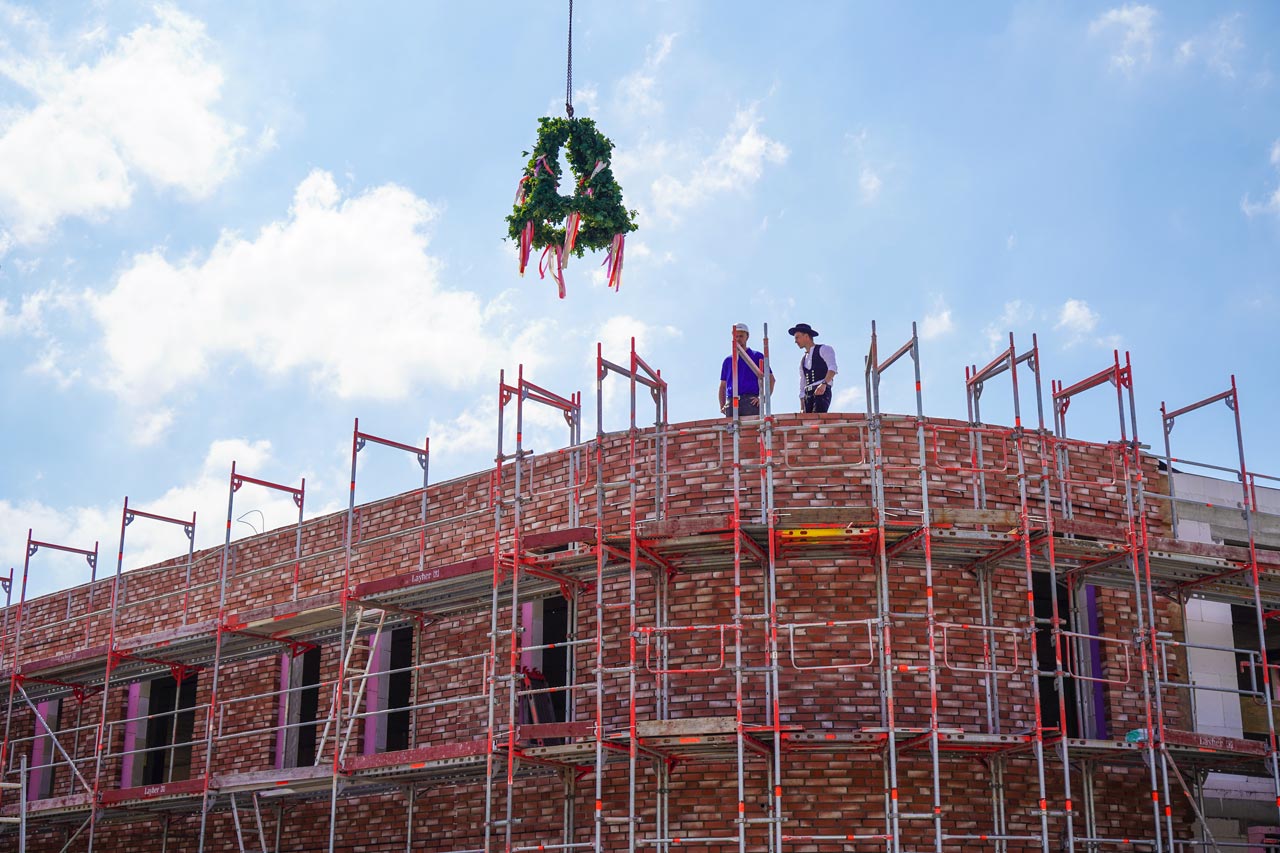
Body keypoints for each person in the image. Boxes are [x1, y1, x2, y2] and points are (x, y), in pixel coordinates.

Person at [718, 323, 773, 417]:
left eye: (741, 336)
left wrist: (762, 398)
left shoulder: (757, 356)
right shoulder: (728, 361)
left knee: (752, 430)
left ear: (747, 337)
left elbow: (771, 380)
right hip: (732, 402)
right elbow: (722, 386)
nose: (738, 339)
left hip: (750, 402)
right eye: (736, 336)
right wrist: (722, 405)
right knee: (733, 430)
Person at [789, 322, 837, 414]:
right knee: (807, 424)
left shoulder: (824, 349)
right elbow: (802, 383)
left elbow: (833, 368)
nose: (795, 341)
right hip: (808, 396)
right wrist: (802, 405)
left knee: (817, 421)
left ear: (806, 336)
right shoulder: (803, 360)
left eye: (797, 337)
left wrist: (824, 384)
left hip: (821, 392)